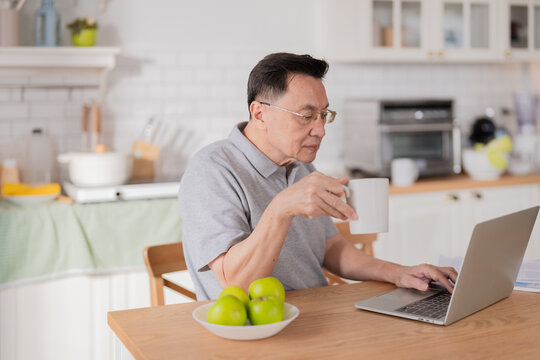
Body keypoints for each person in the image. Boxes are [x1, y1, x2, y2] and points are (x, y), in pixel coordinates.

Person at [178, 52, 457, 301]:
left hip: (317, 318)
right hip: (253, 334)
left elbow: (330, 247)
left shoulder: (299, 166)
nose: (321, 130)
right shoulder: (212, 170)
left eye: (324, 115)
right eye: (306, 115)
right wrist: (282, 208)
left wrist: (398, 273)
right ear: (260, 113)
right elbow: (235, 285)